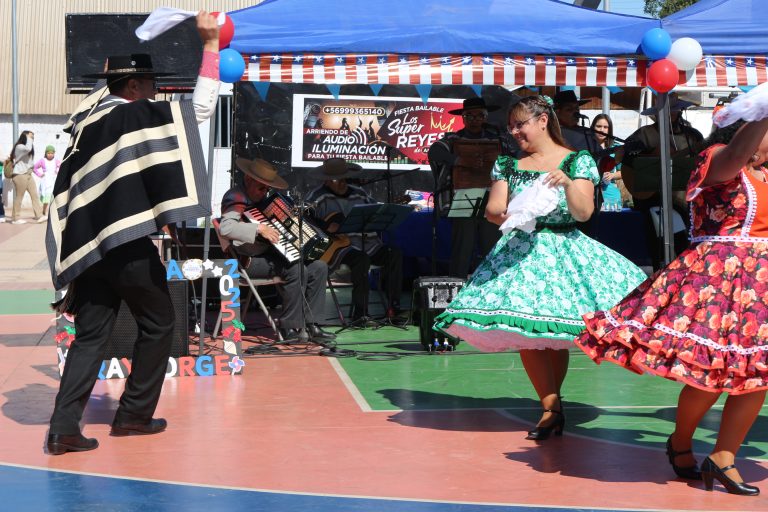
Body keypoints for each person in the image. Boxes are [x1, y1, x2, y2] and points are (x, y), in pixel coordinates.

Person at [45, 12, 221, 456]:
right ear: (135, 87)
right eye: (150, 82)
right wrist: (212, 47)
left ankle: (64, 429)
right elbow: (199, 110)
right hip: (125, 245)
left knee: (91, 336)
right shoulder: (130, 116)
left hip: (89, 249)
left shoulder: (87, 119)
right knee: (160, 321)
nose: (156, 90)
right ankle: (133, 416)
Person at [574, 97, 768, 495]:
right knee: (711, 373)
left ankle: (723, 456)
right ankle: (680, 441)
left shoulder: (764, 175)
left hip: (759, 287)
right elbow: (736, 156)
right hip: (719, 281)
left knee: (758, 376)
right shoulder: (715, 158)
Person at [434, 95, 647, 440]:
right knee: (531, 335)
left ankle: (553, 404)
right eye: (511, 126)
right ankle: (550, 407)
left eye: (521, 124)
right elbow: (494, 209)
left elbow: (583, 213)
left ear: (543, 120)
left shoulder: (577, 161)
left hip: (565, 251)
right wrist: (510, 210)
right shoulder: (507, 164)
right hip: (521, 253)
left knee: (552, 335)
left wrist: (565, 184)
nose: (515, 131)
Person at [219, 157, 335, 342]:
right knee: (297, 268)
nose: (265, 192)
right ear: (248, 179)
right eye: (261, 188)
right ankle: (289, 328)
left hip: (273, 256)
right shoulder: (236, 196)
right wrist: (259, 228)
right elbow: (225, 228)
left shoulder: (269, 200)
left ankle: (313, 325)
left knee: (319, 267)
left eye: (267, 188)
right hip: (248, 261)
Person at [428, 97, 519, 278]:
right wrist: (459, 160)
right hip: (463, 199)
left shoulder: (499, 139)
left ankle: (491, 288)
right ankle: (457, 290)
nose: (475, 119)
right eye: (470, 116)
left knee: (491, 248)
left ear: (485, 117)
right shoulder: (454, 139)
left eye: (479, 115)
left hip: (493, 199)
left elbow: (514, 157)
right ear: (463, 118)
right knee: (462, 249)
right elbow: (435, 151)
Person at [306, 158, 404, 323]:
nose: (343, 182)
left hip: (368, 243)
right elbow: (304, 221)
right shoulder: (317, 197)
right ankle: (361, 314)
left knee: (394, 253)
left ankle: (394, 306)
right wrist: (324, 227)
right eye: (338, 179)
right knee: (361, 259)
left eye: (345, 178)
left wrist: (384, 210)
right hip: (340, 248)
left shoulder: (360, 193)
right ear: (327, 180)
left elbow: (375, 210)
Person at [621, 93, 705, 268]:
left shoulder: (693, 136)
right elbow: (626, 159)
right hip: (652, 197)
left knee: (685, 240)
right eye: (667, 111)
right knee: (657, 242)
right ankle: (660, 272)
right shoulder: (643, 134)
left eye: (674, 110)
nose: (671, 114)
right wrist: (651, 156)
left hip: (685, 198)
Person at [590, 114, 625, 210]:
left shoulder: (616, 149)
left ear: (610, 130)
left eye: (605, 127)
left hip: (611, 197)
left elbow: (624, 172)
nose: (602, 130)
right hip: (589, 195)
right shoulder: (585, 147)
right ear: (592, 127)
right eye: (598, 126)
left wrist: (612, 175)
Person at [9, 130, 45, 224]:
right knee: (19, 196)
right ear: (25, 137)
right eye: (30, 136)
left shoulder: (27, 147)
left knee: (34, 195)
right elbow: (28, 149)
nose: (32, 138)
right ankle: (15, 218)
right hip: (20, 174)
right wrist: (28, 137)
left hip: (28, 174)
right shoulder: (19, 147)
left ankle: (39, 215)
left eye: (32, 137)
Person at [33, 145, 60, 217]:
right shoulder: (42, 160)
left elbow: (60, 167)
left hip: (53, 181)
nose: (50, 155)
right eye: (48, 153)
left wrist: (57, 171)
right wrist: (40, 174)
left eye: (52, 153)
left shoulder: (56, 161)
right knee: (46, 199)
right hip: (46, 182)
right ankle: (44, 211)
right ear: (45, 153)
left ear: (54, 153)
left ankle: (52, 213)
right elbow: (34, 168)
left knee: (53, 197)